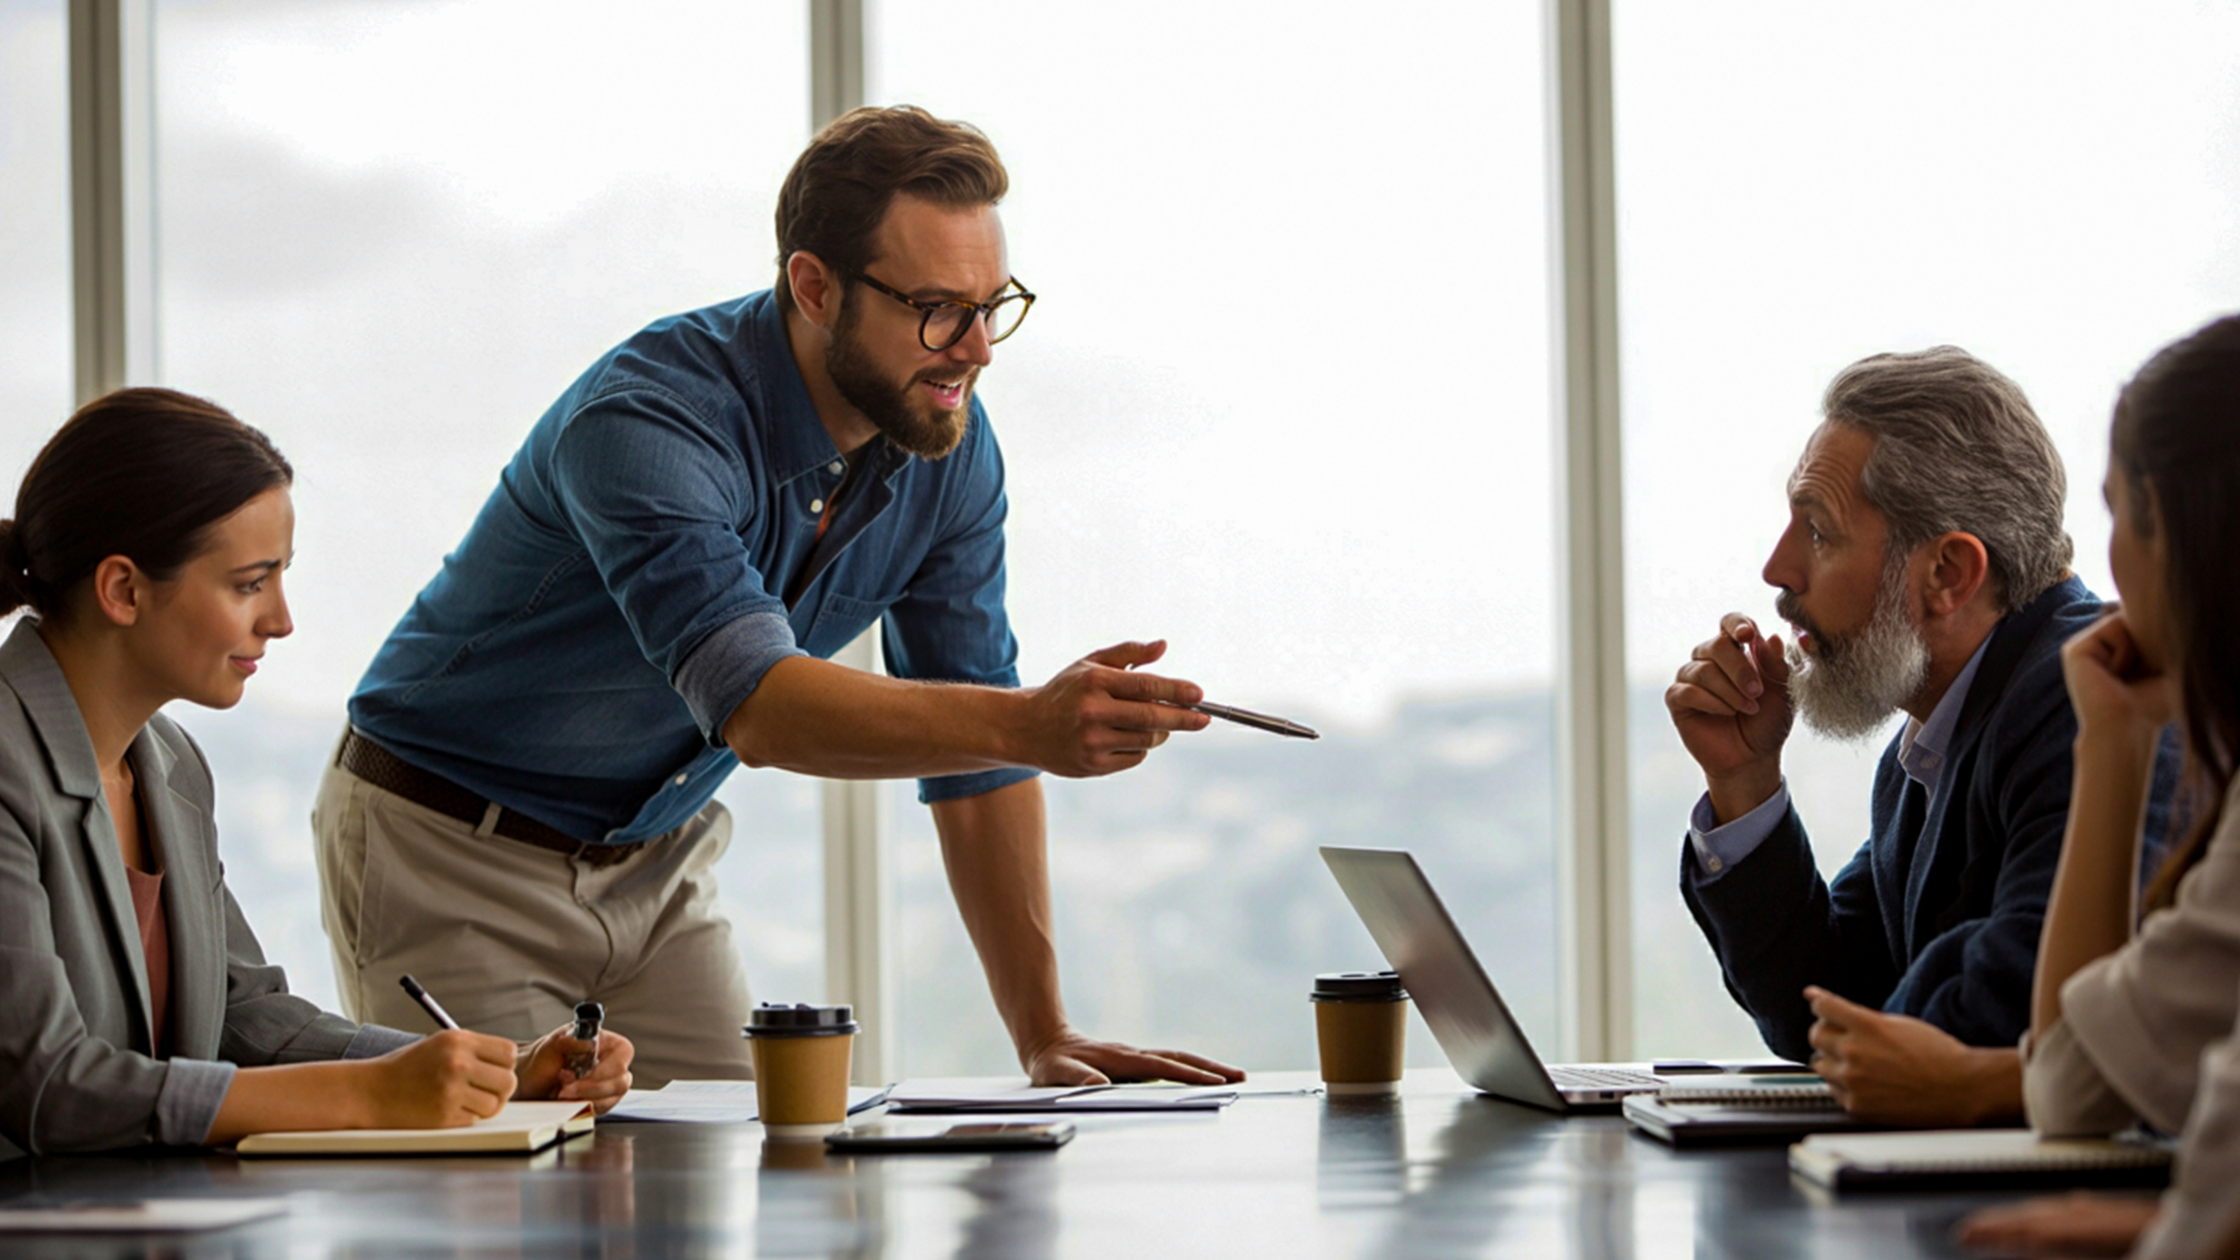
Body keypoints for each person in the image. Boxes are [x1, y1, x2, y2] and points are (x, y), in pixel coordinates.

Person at [314, 105, 1242, 1088]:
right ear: (813, 286)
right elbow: (761, 710)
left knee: (740, 1177)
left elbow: (978, 759)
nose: (976, 351)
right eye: (937, 309)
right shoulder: (650, 421)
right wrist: (1029, 724)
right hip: (450, 850)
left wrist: (1043, 1034)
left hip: (654, 865)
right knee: (512, 1210)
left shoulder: (948, 447)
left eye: (991, 305)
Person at [0, 388, 633, 1158]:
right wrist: (363, 1095)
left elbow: (243, 1016)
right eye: (248, 584)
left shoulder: (169, 765)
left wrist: (494, 1069)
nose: (281, 619)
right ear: (124, 590)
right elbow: (44, 1085)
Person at [1665, 346, 2172, 1127]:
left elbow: (2007, 1012)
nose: (1777, 569)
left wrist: (1888, 1019)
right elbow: (1823, 1012)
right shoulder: (1929, 743)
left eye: (1819, 531)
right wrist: (1745, 780)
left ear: (1948, 574)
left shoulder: (2085, 700)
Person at [1956, 315, 2240, 1258]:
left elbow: (2071, 1088)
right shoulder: (1912, 755)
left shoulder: (2038, 692)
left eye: (2121, 513)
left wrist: (2109, 747)